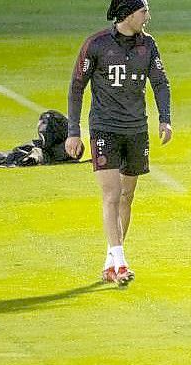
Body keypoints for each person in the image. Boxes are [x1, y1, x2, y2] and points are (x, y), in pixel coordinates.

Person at [65, 0, 172, 285]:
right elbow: (77, 86)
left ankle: (111, 261)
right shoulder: (97, 44)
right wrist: (73, 131)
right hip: (105, 129)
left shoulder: (148, 45)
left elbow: (160, 82)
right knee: (111, 196)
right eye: (143, 11)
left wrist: (165, 118)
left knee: (127, 197)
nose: (148, 16)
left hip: (136, 130)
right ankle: (122, 262)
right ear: (128, 14)